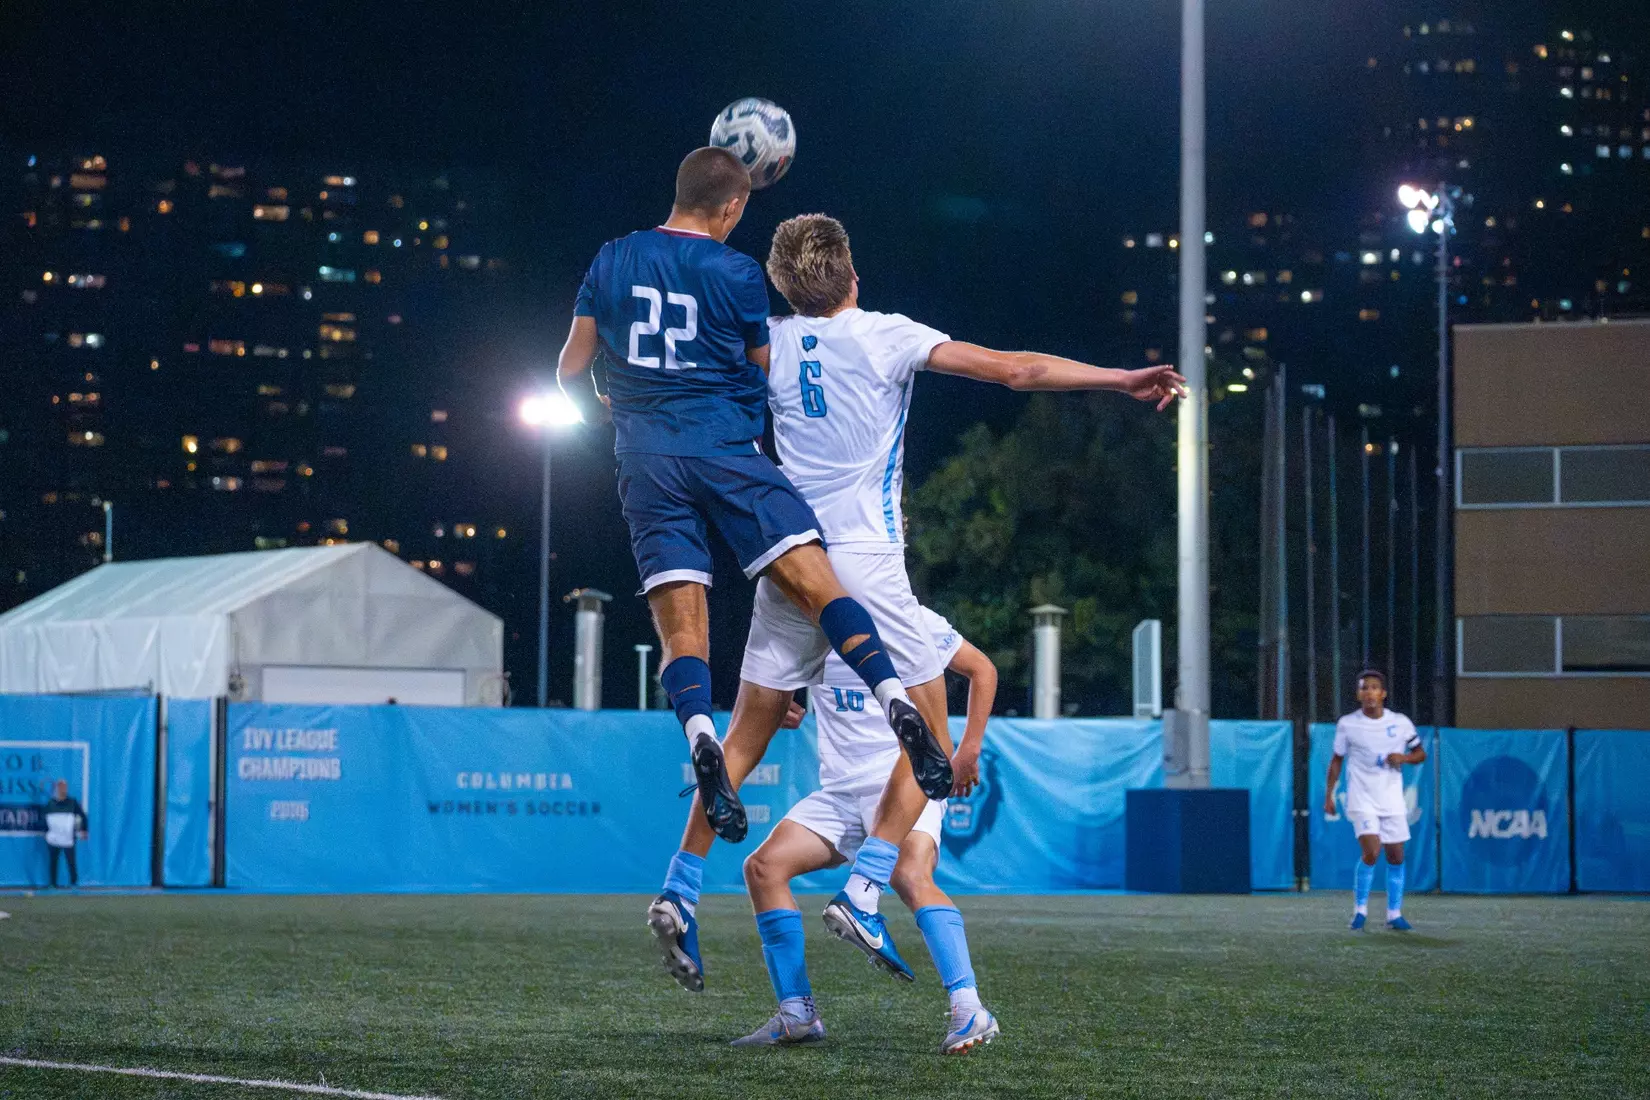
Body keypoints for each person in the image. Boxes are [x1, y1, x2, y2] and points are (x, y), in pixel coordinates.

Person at [647, 212, 1186, 992]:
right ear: (853, 277)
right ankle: (866, 888)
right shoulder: (885, 333)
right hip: (863, 559)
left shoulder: (767, 341)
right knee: (929, 712)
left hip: (786, 555)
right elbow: (1015, 371)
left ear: (780, 286)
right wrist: (1119, 379)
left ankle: (680, 884)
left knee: (744, 732)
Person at [556, 149, 953, 850]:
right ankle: (896, 701)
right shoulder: (737, 273)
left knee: (684, 630)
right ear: (735, 207)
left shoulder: (612, 257)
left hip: (646, 462)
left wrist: (606, 402)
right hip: (726, 453)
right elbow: (769, 375)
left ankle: (702, 735)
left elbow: (571, 368)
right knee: (817, 582)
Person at [730, 606, 1003, 1054]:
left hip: (901, 777)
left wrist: (969, 748)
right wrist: (783, 710)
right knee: (763, 868)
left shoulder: (906, 616)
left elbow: (982, 670)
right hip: (840, 790)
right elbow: (777, 690)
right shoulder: (813, 624)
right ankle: (798, 1014)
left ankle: (968, 1007)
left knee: (910, 874)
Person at [1323, 670, 1427, 931]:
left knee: (1396, 855)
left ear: (1383, 694)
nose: (1369, 693)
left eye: (1374, 688)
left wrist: (1403, 758)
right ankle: (1360, 911)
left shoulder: (1400, 722)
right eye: (1364, 688)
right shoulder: (1348, 723)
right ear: (1358, 694)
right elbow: (1337, 760)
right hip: (1362, 798)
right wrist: (1330, 794)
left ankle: (1394, 914)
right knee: (1371, 851)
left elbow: (1420, 753)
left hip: (1391, 799)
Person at [42, 779, 87, 888]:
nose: (63, 789)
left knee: (71, 862)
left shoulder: (73, 802)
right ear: (57, 788)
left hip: (68, 838)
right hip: (54, 839)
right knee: (53, 862)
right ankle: (53, 884)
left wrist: (84, 829)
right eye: (61, 787)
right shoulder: (50, 804)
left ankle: (73, 883)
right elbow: (44, 820)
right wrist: (46, 833)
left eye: (65, 787)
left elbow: (83, 816)